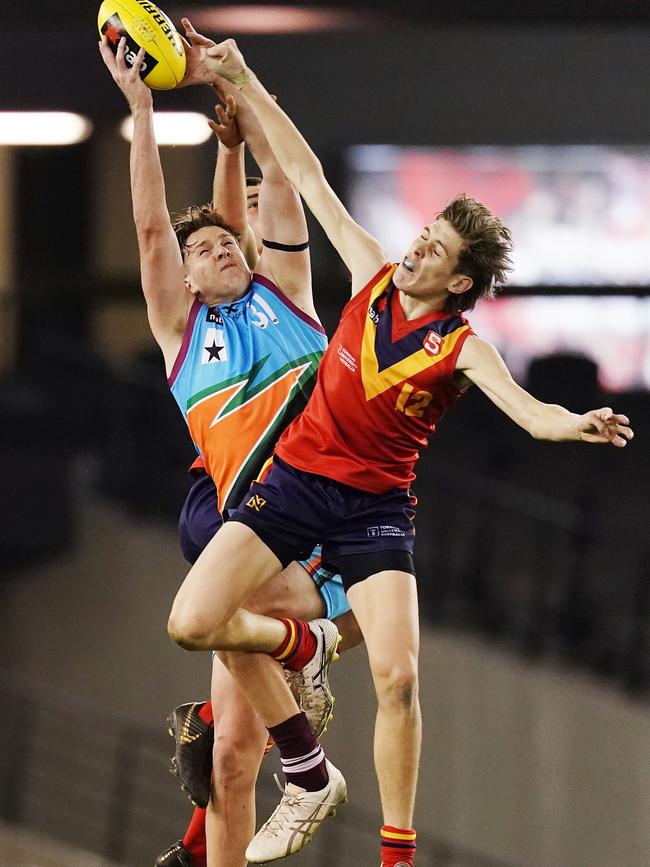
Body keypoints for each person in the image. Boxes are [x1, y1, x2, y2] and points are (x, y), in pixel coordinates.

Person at [165, 23, 635, 867]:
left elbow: (526, 413)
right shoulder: (372, 272)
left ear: (459, 281)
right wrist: (239, 71)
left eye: (436, 249)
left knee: (401, 678)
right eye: (422, 235)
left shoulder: (460, 347)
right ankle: (304, 651)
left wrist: (572, 421)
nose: (416, 246)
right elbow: (304, 171)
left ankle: (395, 851)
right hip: (296, 484)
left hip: (375, 512)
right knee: (192, 622)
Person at [97, 36, 361, 867]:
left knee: (263, 626)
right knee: (230, 763)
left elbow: (282, 181)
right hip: (261, 532)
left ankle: (305, 720)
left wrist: (242, 95)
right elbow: (149, 228)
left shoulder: (287, 295)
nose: (219, 248)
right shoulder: (182, 333)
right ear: (183, 276)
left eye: (227, 241)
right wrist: (141, 110)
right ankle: (289, 738)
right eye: (201, 249)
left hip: (334, 522)